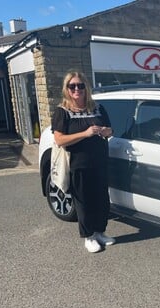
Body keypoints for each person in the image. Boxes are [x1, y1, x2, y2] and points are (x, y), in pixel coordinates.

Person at [51, 71, 115, 253]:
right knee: (84, 201)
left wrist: (105, 131)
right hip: (79, 163)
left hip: (100, 161)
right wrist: (85, 133)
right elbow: (60, 140)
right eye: (72, 86)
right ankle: (89, 237)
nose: (77, 89)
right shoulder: (62, 111)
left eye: (80, 85)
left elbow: (111, 131)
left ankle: (100, 232)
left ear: (86, 87)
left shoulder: (98, 108)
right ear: (67, 89)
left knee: (102, 199)